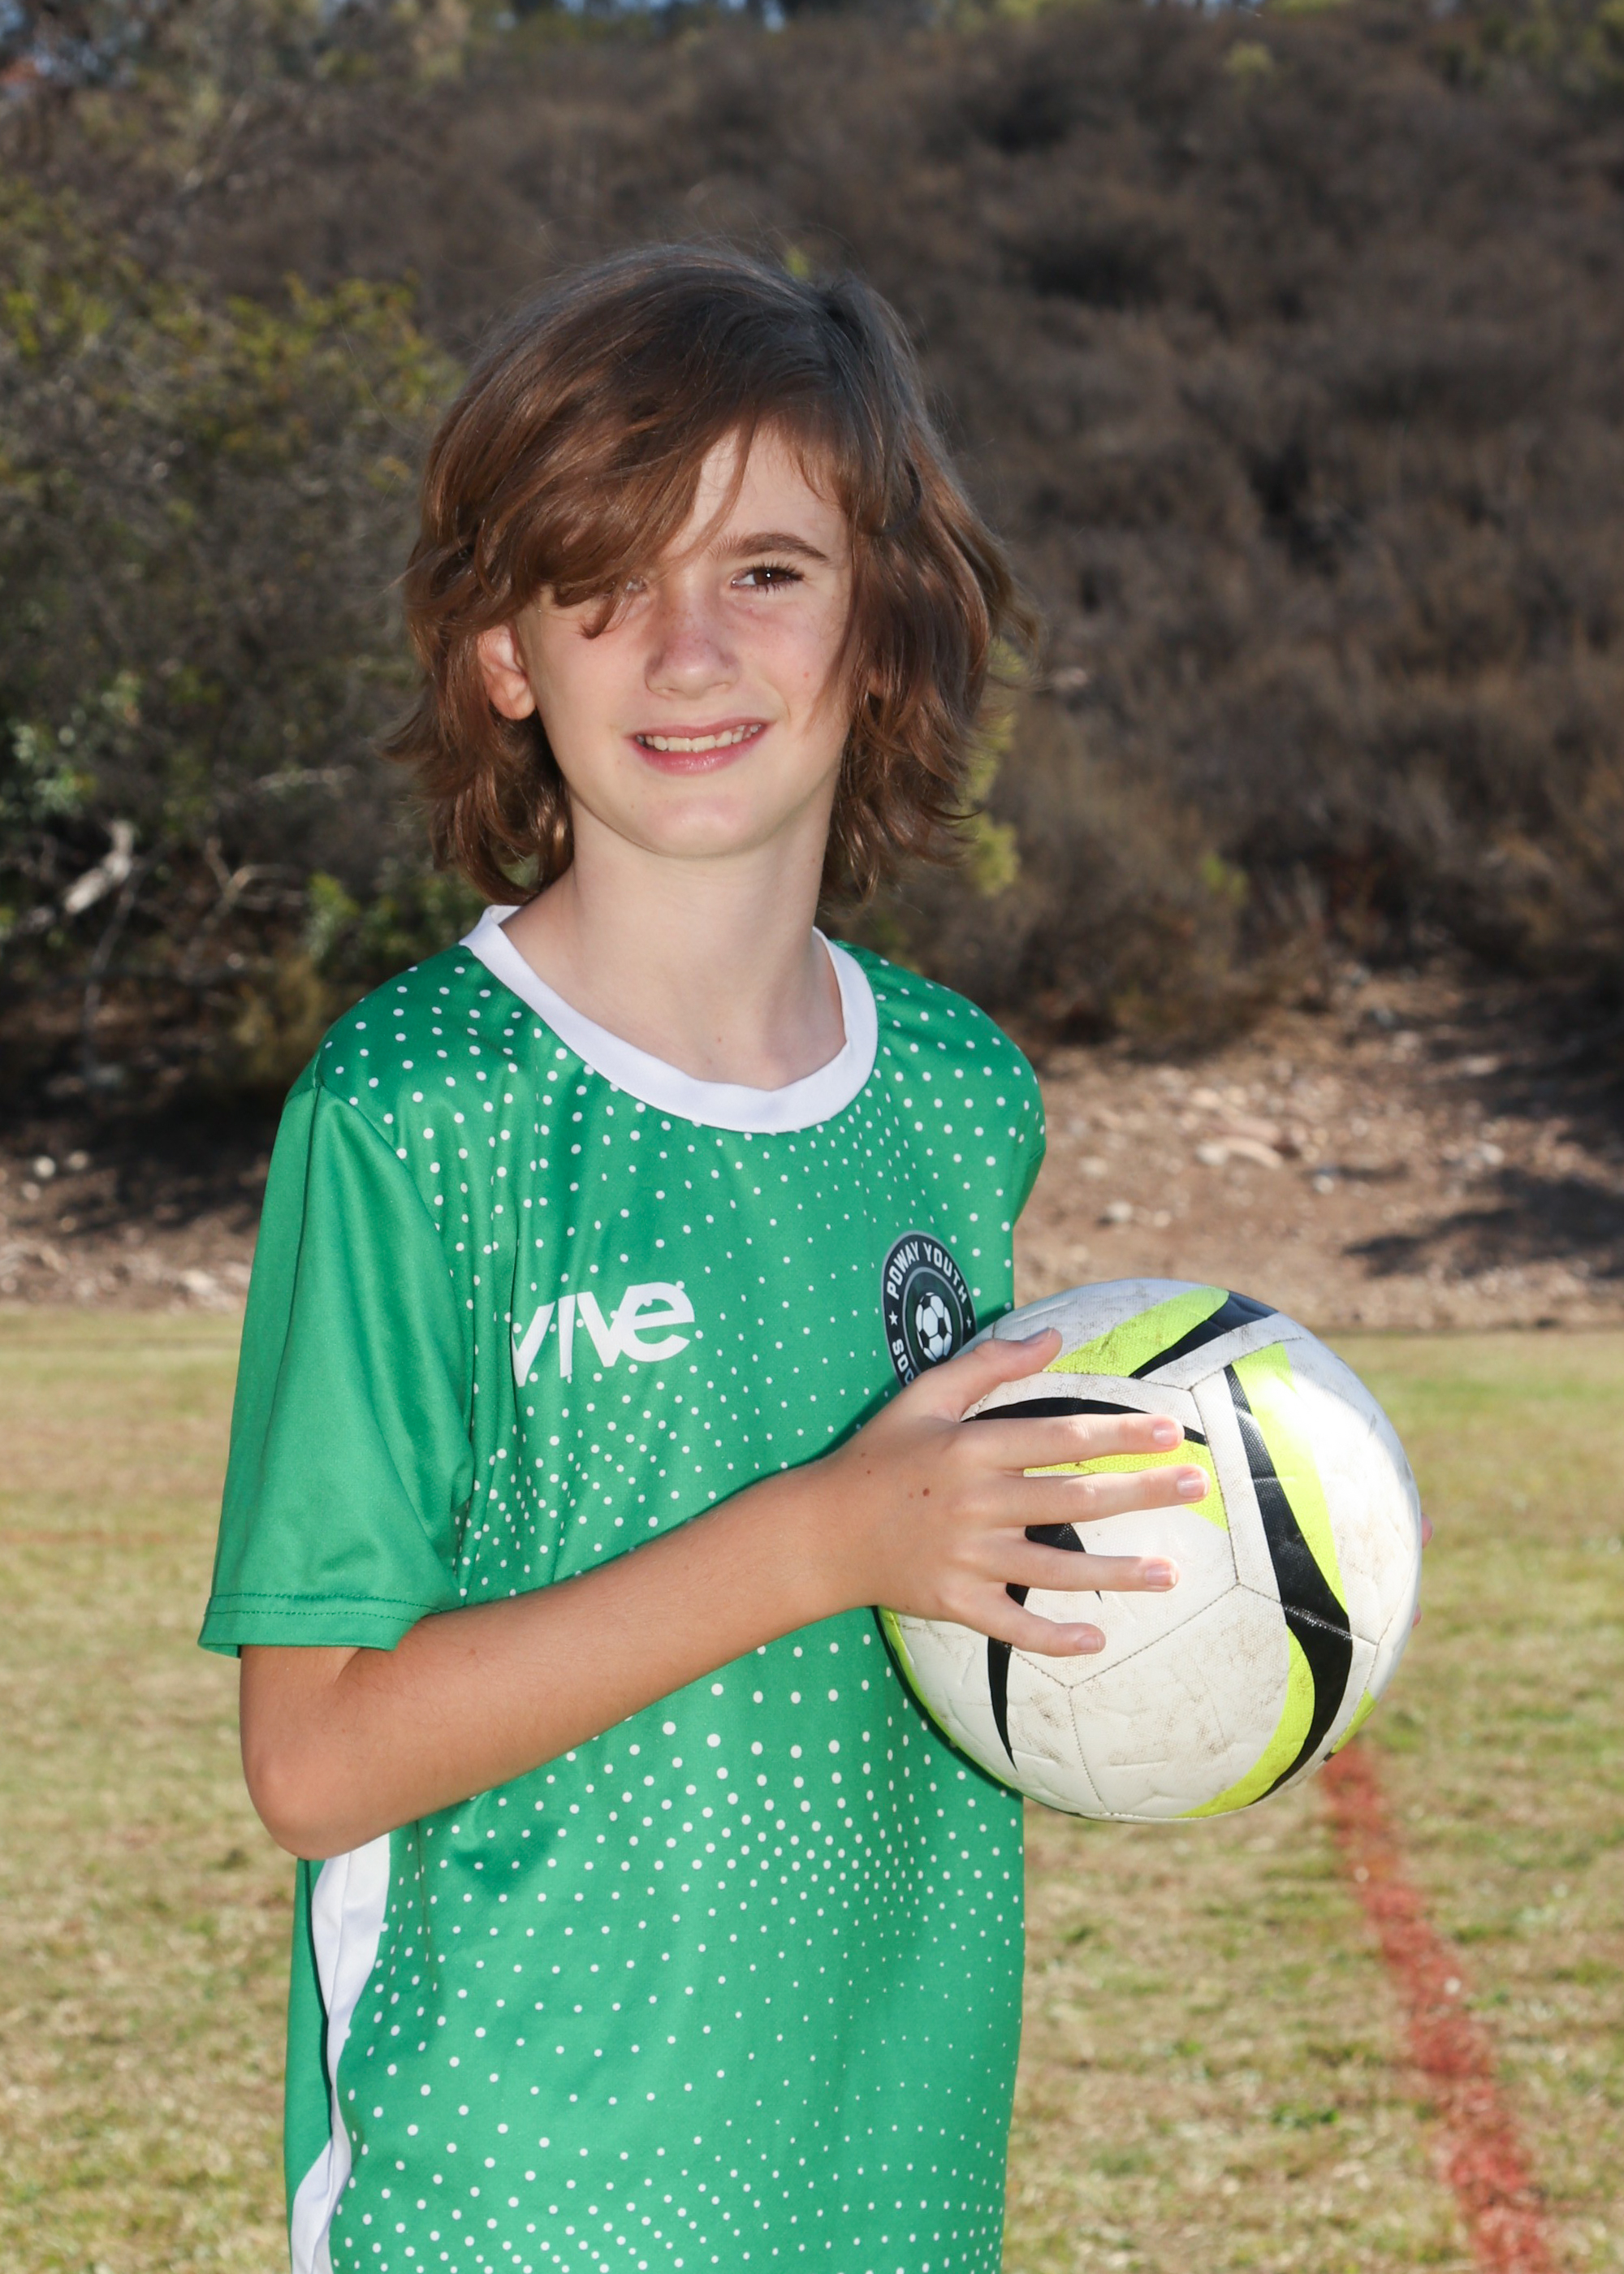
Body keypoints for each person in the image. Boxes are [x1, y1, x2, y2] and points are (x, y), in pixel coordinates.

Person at [201, 245, 1204, 2274]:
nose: (685, 649)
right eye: (602, 578)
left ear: (881, 630)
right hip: (510, 2196)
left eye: (766, 569)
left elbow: (942, 1606)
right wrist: (824, 1537)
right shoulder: (419, 1110)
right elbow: (314, 1757)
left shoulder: (957, 1091)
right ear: (504, 653)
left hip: (892, 2183)